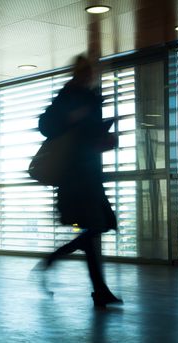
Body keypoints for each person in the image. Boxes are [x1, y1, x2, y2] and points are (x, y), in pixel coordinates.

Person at [37, 55, 122, 308]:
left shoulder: (91, 97)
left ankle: (58, 265)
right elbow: (46, 125)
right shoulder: (69, 95)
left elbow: (89, 135)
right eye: (86, 71)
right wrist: (72, 117)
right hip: (75, 178)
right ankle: (96, 289)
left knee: (96, 229)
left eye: (91, 71)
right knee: (95, 228)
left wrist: (104, 134)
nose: (89, 75)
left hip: (90, 175)